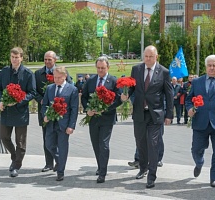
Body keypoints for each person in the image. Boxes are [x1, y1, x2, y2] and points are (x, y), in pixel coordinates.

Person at [121, 45, 173, 188]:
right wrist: (126, 95)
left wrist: (169, 115)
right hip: (139, 113)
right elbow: (131, 87)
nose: (148, 59)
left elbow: (169, 95)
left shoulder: (164, 72)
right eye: (146, 56)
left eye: (151, 56)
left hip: (155, 115)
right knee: (141, 143)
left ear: (156, 56)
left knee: (153, 144)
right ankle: (143, 168)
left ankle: (152, 175)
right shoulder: (136, 69)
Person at [0, 47, 36, 177]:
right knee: (4, 137)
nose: (14, 59)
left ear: (21, 58)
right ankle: (14, 156)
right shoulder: (5, 71)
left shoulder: (28, 74)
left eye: (17, 57)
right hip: (6, 111)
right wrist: (0, 101)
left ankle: (16, 166)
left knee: (20, 142)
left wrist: (19, 101)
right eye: (12, 57)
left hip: (20, 111)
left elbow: (32, 92)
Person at [81, 56, 121, 183]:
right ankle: (100, 165)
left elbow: (118, 99)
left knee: (103, 144)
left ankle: (102, 172)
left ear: (108, 67)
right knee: (96, 144)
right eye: (98, 68)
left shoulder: (113, 81)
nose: (100, 70)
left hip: (107, 118)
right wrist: (87, 109)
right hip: (93, 118)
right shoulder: (91, 81)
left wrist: (107, 108)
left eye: (103, 68)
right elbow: (84, 97)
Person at [35, 50, 72, 173]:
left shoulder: (63, 72)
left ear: (54, 60)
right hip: (46, 112)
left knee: (59, 140)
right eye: (45, 59)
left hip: (61, 114)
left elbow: (70, 87)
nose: (47, 61)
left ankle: (59, 163)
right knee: (47, 139)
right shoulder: (38, 73)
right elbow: (34, 90)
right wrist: (41, 100)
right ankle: (49, 163)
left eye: (49, 59)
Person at [42, 66, 79, 181]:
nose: (56, 79)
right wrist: (45, 115)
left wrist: (71, 126)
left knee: (62, 147)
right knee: (48, 144)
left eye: (59, 77)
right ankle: (59, 160)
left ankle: (60, 171)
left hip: (64, 124)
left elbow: (74, 109)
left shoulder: (72, 89)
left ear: (65, 76)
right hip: (51, 123)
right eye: (55, 77)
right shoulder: (50, 88)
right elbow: (44, 105)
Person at [185, 55, 215, 188]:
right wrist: (190, 109)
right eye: (209, 65)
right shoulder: (197, 82)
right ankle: (199, 162)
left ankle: (213, 178)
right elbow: (188, 99)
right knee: (196, 149)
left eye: (214, 65)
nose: (212, 68)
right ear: (206, 66)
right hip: (200, 122)